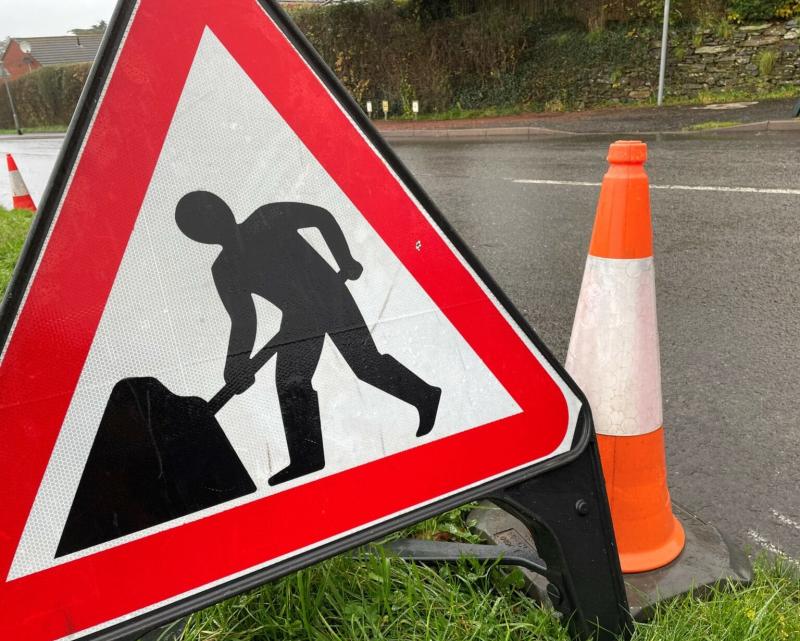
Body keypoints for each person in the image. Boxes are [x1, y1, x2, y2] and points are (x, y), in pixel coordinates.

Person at [175, 191, 441, 486]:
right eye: (200, 225)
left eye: (210, 215)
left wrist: (345, 259)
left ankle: (426, 396)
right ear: (198, 237)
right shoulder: (225, 268)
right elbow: (244, 320)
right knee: (291, 382)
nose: (210, 225)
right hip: (297, 319)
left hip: (330, 297)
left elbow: (321, 217)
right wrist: (236, 363)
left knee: (365, 364)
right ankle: (307, 457)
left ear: (224, 208)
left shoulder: (267, 217)